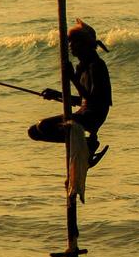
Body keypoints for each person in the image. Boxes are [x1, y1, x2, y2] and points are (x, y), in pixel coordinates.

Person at [30, 19, 112, 166]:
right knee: (33, 132)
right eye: (69, 43)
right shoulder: (82, 66)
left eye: (74, 43)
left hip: (93, 116)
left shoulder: (96, 66)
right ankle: (85, 143)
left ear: (84, 45)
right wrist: (57, 95)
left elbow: (93, 100)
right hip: (83, 112)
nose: (70, 46)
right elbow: (80, 100)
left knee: (43, 126)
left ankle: (87, 143)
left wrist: (73, 78)